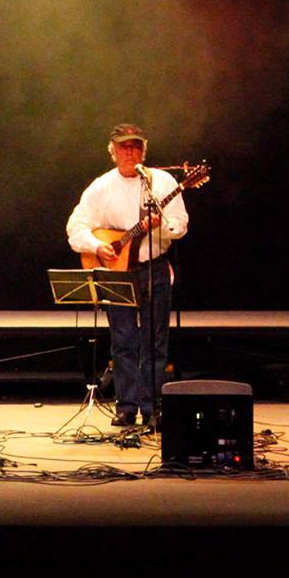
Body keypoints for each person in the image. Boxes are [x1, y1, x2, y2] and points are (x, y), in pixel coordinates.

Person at [66, 124, 189, 429]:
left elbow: (181, 225)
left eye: (135, 147)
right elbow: (75, 228)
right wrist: (98, 246)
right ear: (113, 152)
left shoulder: (161, 182)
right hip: (117, 273)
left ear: (143, 151)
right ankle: (127, 406)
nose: (130, 152)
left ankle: (153, 407)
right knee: (123, 341)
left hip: (155, 267)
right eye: (124, 147)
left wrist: (159, 226)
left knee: (154, 341)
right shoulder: (101, 187)